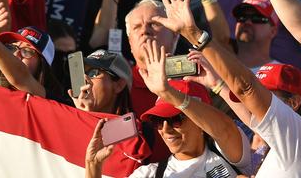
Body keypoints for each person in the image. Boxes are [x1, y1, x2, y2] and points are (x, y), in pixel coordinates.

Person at [152, 0, 301, 177]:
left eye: (267, 95)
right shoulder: (279, 144)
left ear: (294, 102)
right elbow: (250, 114)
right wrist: (217, 85)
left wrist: (194, 34)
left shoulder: (299, 138)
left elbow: (246, 89)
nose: (255, 102)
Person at [84, 40, 252, 178]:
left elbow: (223, 128)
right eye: (158, 121)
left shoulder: (228, 152)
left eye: (175, 119)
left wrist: (167, 92)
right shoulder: (150, 174)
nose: (165, 130)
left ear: (201, 122)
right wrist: (93, 166)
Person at [0, 3, 65, 102]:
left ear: (42, 66)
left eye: (27, 51)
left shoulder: (49, 98)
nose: (15, 54)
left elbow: (20, 76)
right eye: (11, 47)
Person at [70, 49, 132, 115]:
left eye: (93, 73)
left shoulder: (133, 125)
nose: (84, 79)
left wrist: (86, 117)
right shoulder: (65, 120)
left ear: (119, 85)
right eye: (81, 74)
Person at [231, 0, 280, 72]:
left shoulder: (281, 74)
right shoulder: (216, 67)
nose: (247, 22)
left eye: (257, 18)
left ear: (273, 31)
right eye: (242, 17)